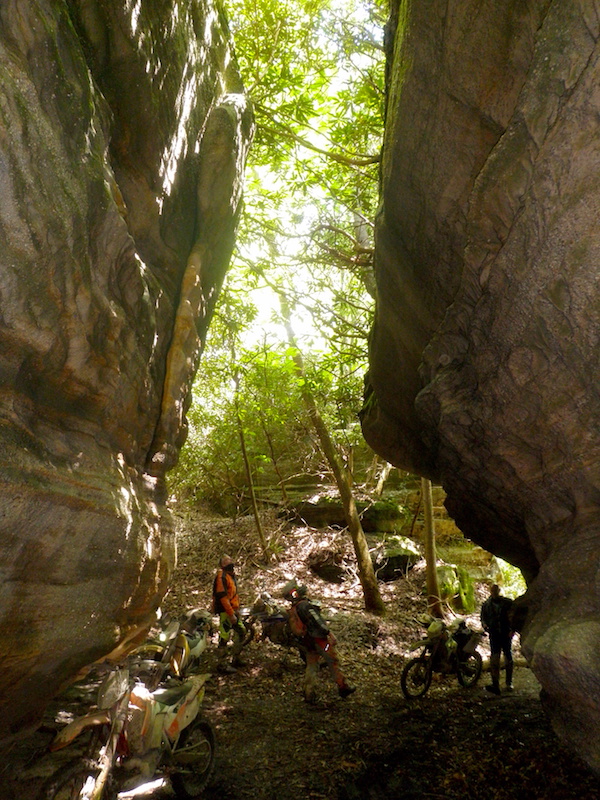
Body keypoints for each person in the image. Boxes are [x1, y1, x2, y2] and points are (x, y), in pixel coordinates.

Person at [282, 579, 356, 703]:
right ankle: (343, 687)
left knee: (311, 665)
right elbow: (317, 621)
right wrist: (329, 633)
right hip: (319, 640)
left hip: (307, 642)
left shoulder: (293, 609)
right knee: (332, 661)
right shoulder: (305, 605)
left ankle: (309, 693)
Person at [212, 556, 246, 673]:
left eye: (230, 559)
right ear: (222, 564)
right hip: (226, 612)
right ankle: (221, 665)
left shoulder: (230, 575)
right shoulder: (221, 577)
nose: (229, 562)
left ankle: (235, 658)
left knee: (241, 632)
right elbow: (222, 597)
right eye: (226, 560)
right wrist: (231, 614)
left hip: (234, 610)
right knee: (224, 637)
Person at [480, 583, 514, 694]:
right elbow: (483, 618)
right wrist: (485, 626)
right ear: (490, 592)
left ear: (499, 591)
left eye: (496, 590)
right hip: (494, 634)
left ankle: (509, 683)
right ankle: (495, 684)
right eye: (492, 591)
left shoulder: (507, 603)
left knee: (508, 657)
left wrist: (512, 630)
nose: (494, 593)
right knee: (494, 659)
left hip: (505, 633)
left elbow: (513, 616)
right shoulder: (486, 605)